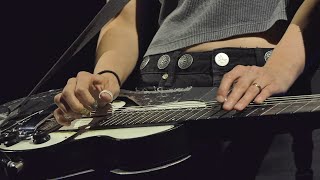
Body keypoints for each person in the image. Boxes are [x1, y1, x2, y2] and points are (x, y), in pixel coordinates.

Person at [53, 0, 320, 179]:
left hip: (254, 89)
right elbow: (124, 17)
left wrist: (280, 67)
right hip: (153, 95)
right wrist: (106, 76)